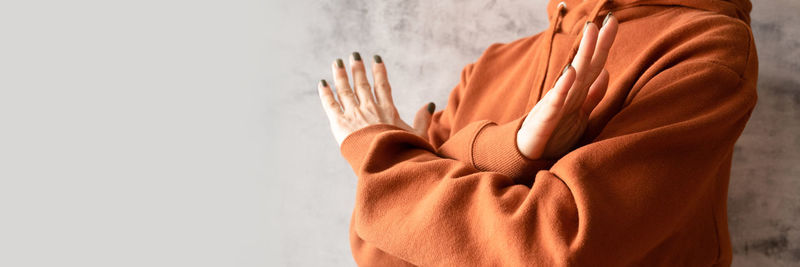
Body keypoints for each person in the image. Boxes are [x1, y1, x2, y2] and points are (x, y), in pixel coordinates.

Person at [316, 0, 757, 265]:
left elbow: (559, 246)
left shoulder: (705, 46)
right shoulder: (491, 65)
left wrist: (390, 155)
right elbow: (379, 252)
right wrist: (510, 145)